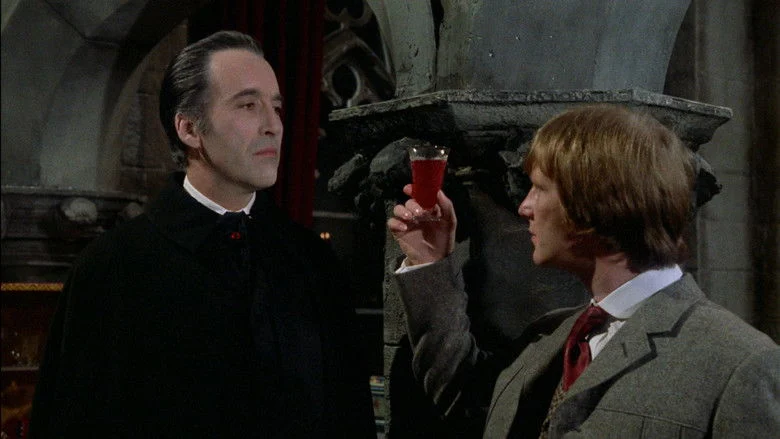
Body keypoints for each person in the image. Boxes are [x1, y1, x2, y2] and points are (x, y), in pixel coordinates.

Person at [30, 30, 375, 438]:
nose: (274, 126)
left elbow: (349, 416)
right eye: (248, 105)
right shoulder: (112, 268)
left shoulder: (312, 261)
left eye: (276, 107)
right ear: (189, 128)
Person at [387, 104, 779, 438]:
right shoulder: (550, 335)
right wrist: (429, 262)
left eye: (539, 188)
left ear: (598, 203)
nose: (524, 207)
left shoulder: (741, 365)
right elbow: (469, 401)